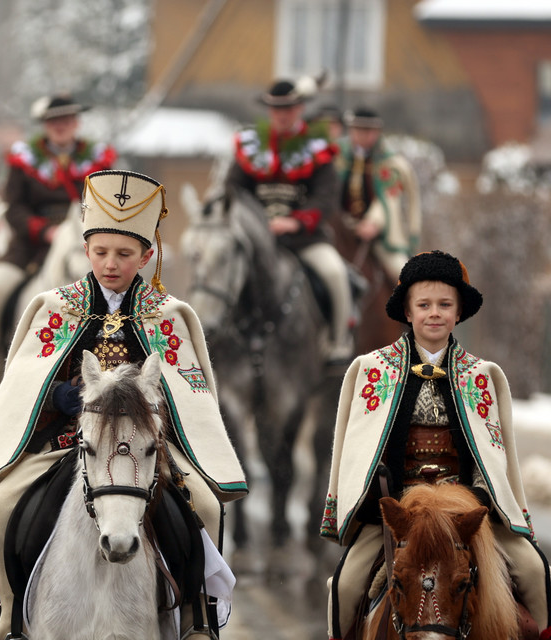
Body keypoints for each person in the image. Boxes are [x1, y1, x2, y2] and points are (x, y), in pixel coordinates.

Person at [0, 169, 248, 640]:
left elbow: (188, 392)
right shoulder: (56, 308)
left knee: (208, 507)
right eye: (100, 252)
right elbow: (26, 380)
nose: (111, 263)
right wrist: (58, 395)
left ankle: (198, 618)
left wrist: (152, 409)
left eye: (124, 253)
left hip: (145, 447)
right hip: (69, 442)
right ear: (85, 251)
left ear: (147, 255)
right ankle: (10, 617)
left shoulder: (167, 315)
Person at [321, 250, 551, 640]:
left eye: (445, 304)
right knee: (344, 587)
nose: (434, 313)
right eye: (423, 304)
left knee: (534, 570)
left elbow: (492, 454)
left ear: (459, 311)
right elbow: (360, 447)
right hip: (399, 509)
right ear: (407, 312)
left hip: (467, 508)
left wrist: (478, 496)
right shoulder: (372, 370)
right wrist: (380, 490)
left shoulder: (481, 377)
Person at [0, 94, 116, 388]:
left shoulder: (99, 159)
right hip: (31, 246)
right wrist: (43, 230)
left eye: (67, 119)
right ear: (45, 126)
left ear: (77, 123)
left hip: (88, 246)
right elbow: (13, 209)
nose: (61, 126)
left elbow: (112, 204)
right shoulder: (23, 159)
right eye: (54, 121)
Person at [226, 77, 354, 365]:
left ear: (299, 109)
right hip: (256, 240)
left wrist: (295, 221)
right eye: (276, 108)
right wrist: (253, 223)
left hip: (304, 239)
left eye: (288, 108)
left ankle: (337, 343)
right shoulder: (251, 147)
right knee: (221, 271)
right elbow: (233, 190)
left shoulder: (318, 148)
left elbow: (326, 197)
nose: (282, 114)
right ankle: (217, 336)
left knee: (335, 273)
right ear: (269, 111)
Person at [334, 106, 421, 282]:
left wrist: (373, 223)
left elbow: (389, 198)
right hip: (341, 228)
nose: (362, 135)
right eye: (357, 130)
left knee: (406, 276)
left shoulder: (391, 163)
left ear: (377, 132)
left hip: (378, 236)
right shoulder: (339, 156)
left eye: (367, 131)